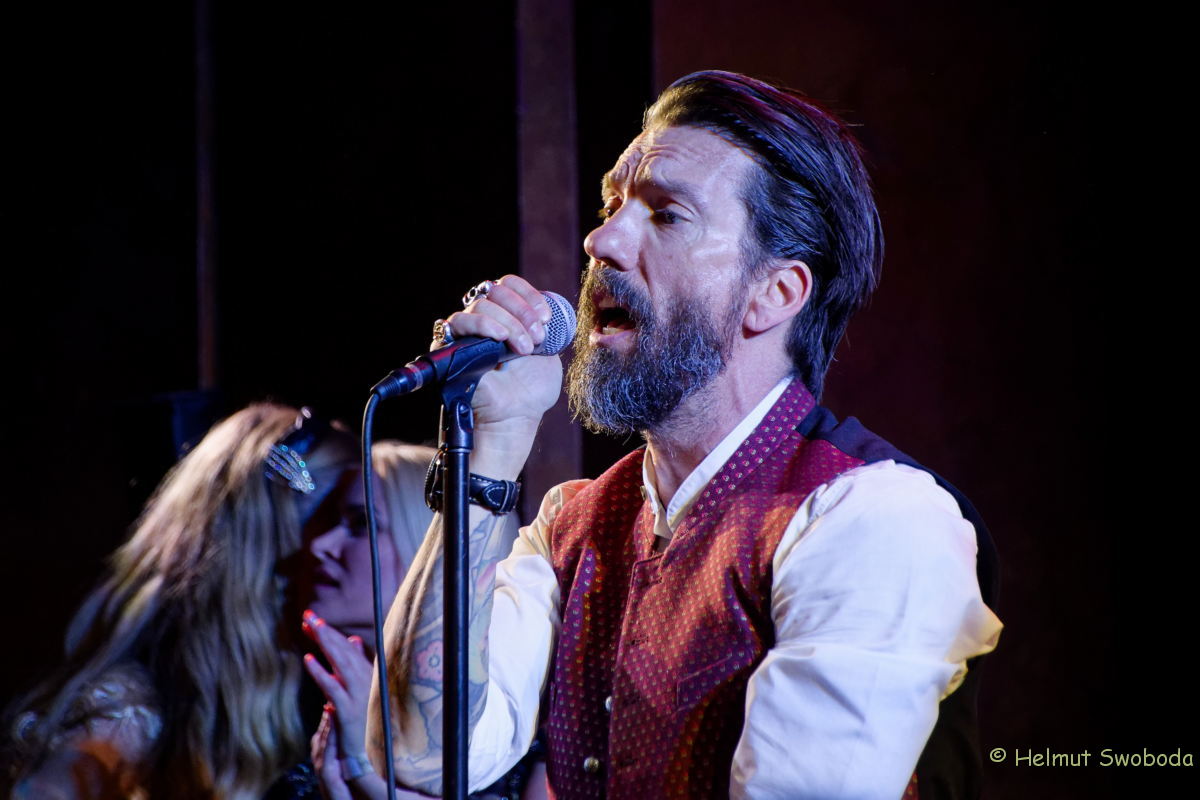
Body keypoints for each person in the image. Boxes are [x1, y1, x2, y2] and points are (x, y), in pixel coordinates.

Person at [371, 70, 1003, 799]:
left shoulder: (872, 519)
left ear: (775, 294)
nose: (600, 240)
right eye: (611, 205)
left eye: (667, 215)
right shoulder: (572, 526)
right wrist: (495, 443)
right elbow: (422, 756)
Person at [2, 404, 359, 799]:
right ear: (272, 545)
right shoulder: (129, 713)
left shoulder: (325, 680)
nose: (359, 549)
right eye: (353, 522)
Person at [299, 443, 541, 800]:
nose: (321, 544)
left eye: (362, 524)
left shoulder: (532, 727)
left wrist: (367, 774)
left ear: (430, 547)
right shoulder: (310, 693)